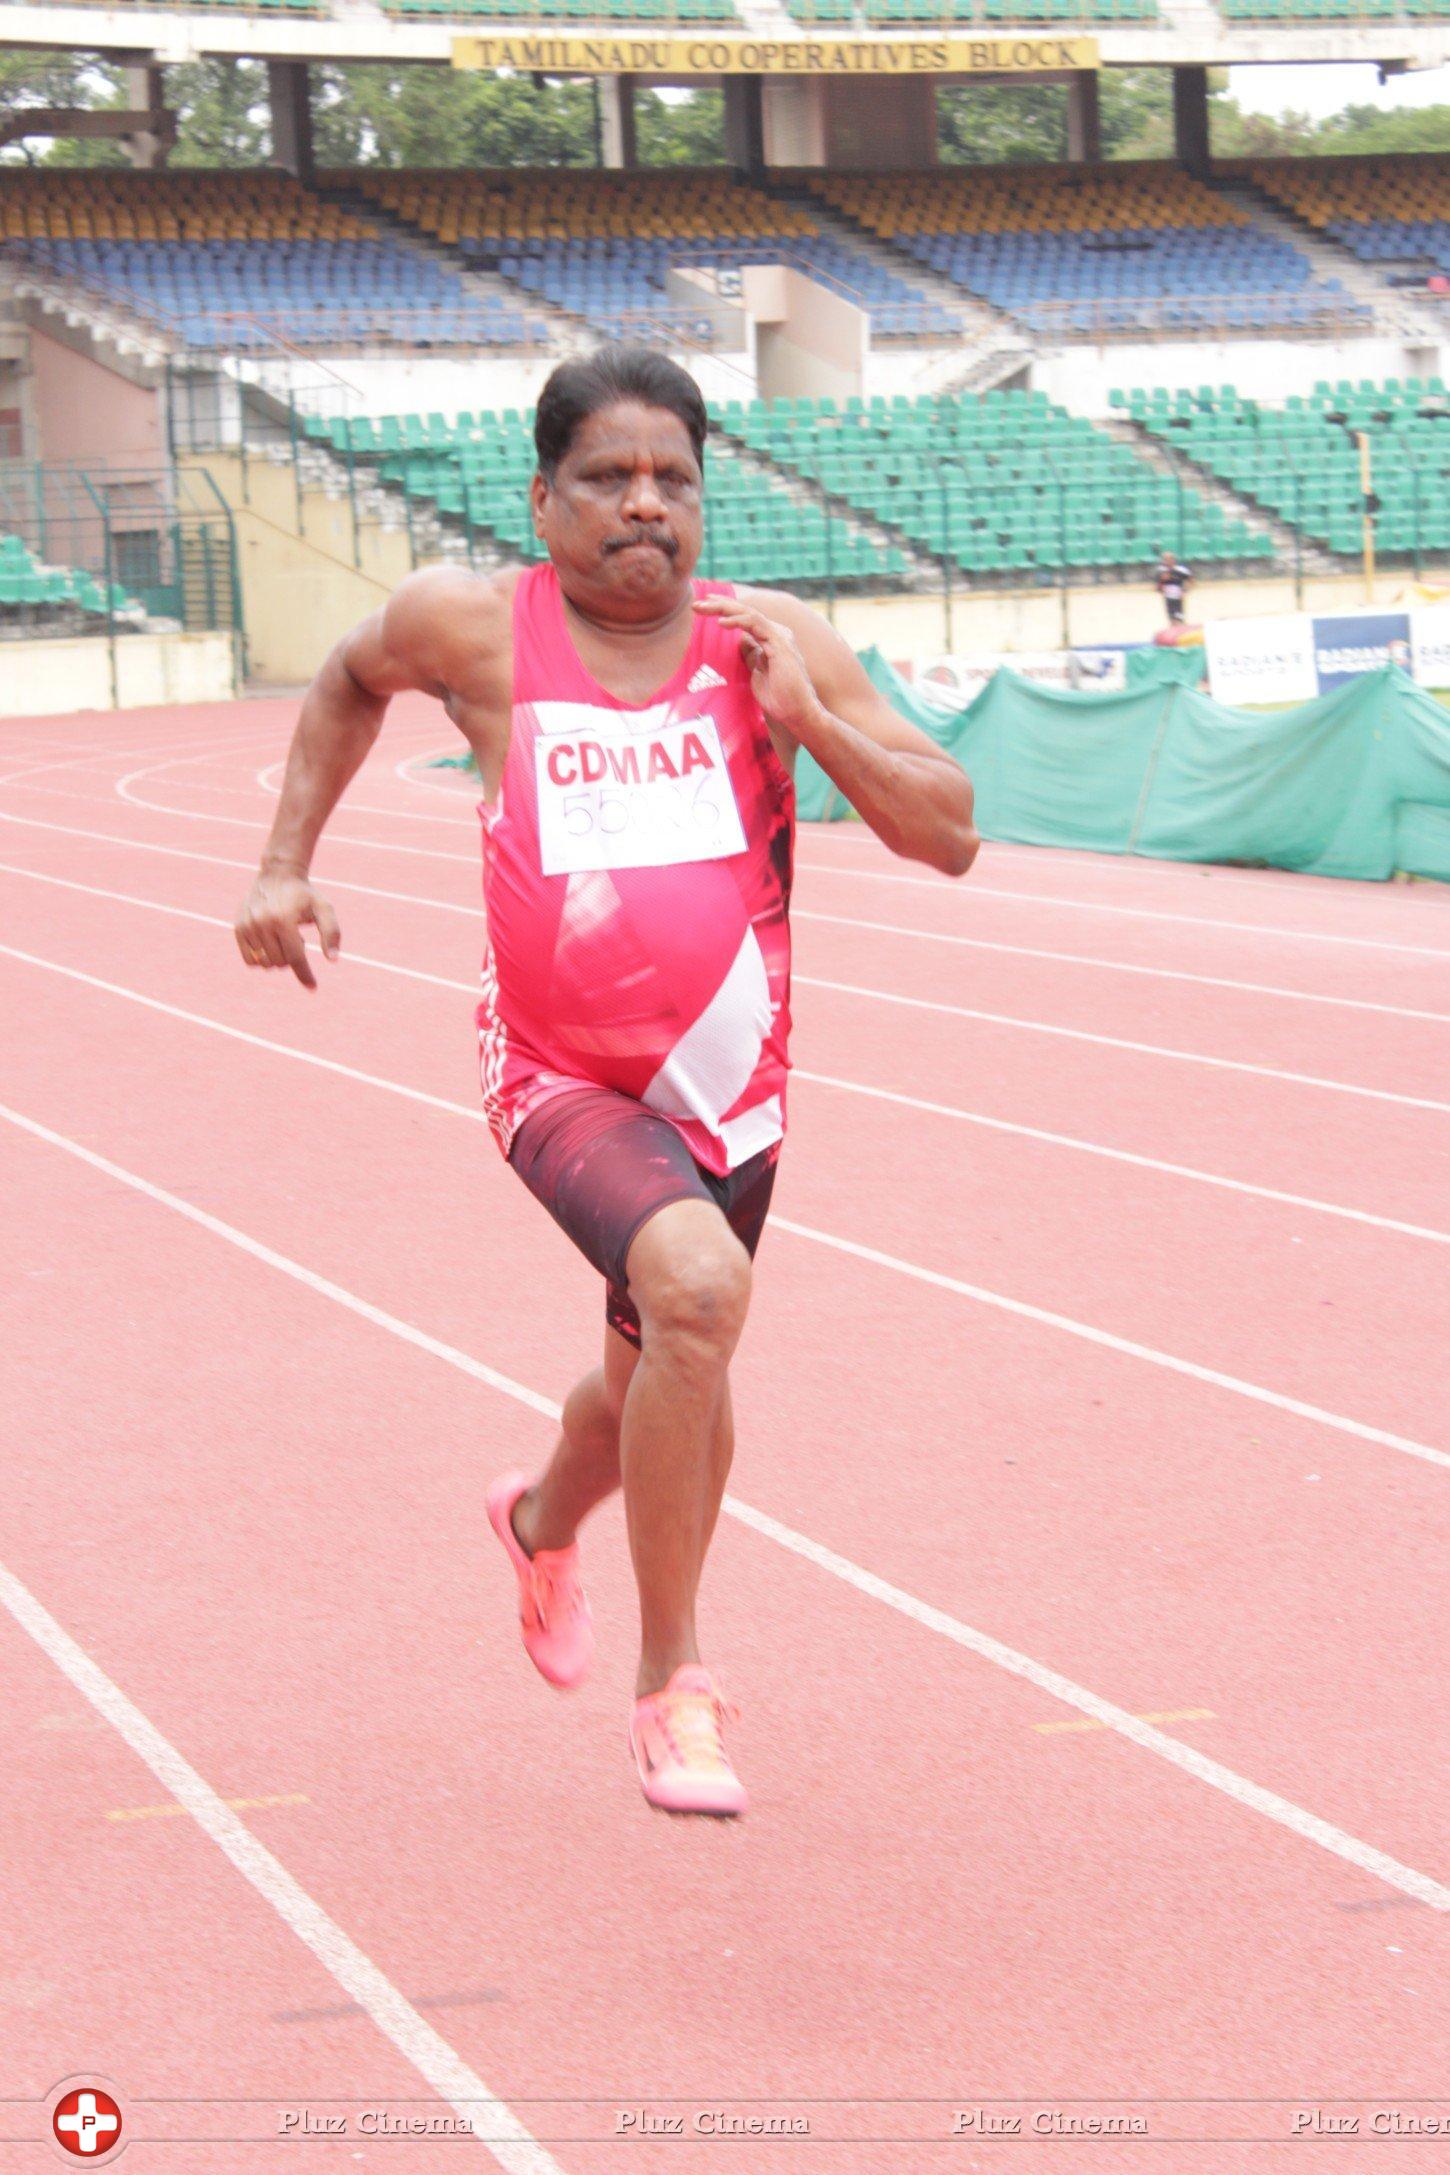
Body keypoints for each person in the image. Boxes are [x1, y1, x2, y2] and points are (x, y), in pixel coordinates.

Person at [234, 345, 978, 1817]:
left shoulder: (767, 642)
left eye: (672, 479)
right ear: (544, 496)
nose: (644, 504)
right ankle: (676, 1687)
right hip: (559, 1073)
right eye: (608, 477)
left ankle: (534, 1516)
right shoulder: (476, 626)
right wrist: (280, 863)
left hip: (729, 1090)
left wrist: (810, 726)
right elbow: (341, 679)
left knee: (655, 1375)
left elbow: (949, 829)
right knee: (697, 1290)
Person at [1156, 547, 1192, 626]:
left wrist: (1185, 590)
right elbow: (1159, 585)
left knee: (1179, 618)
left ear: (1173, 560)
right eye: (1164, 559)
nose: (1165, 561)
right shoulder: (1161, 570)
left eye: (1167, 559)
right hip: (1168, 597)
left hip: (1178, 597)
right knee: (1171, 618)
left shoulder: (1181, 570)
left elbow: (1190, 581)